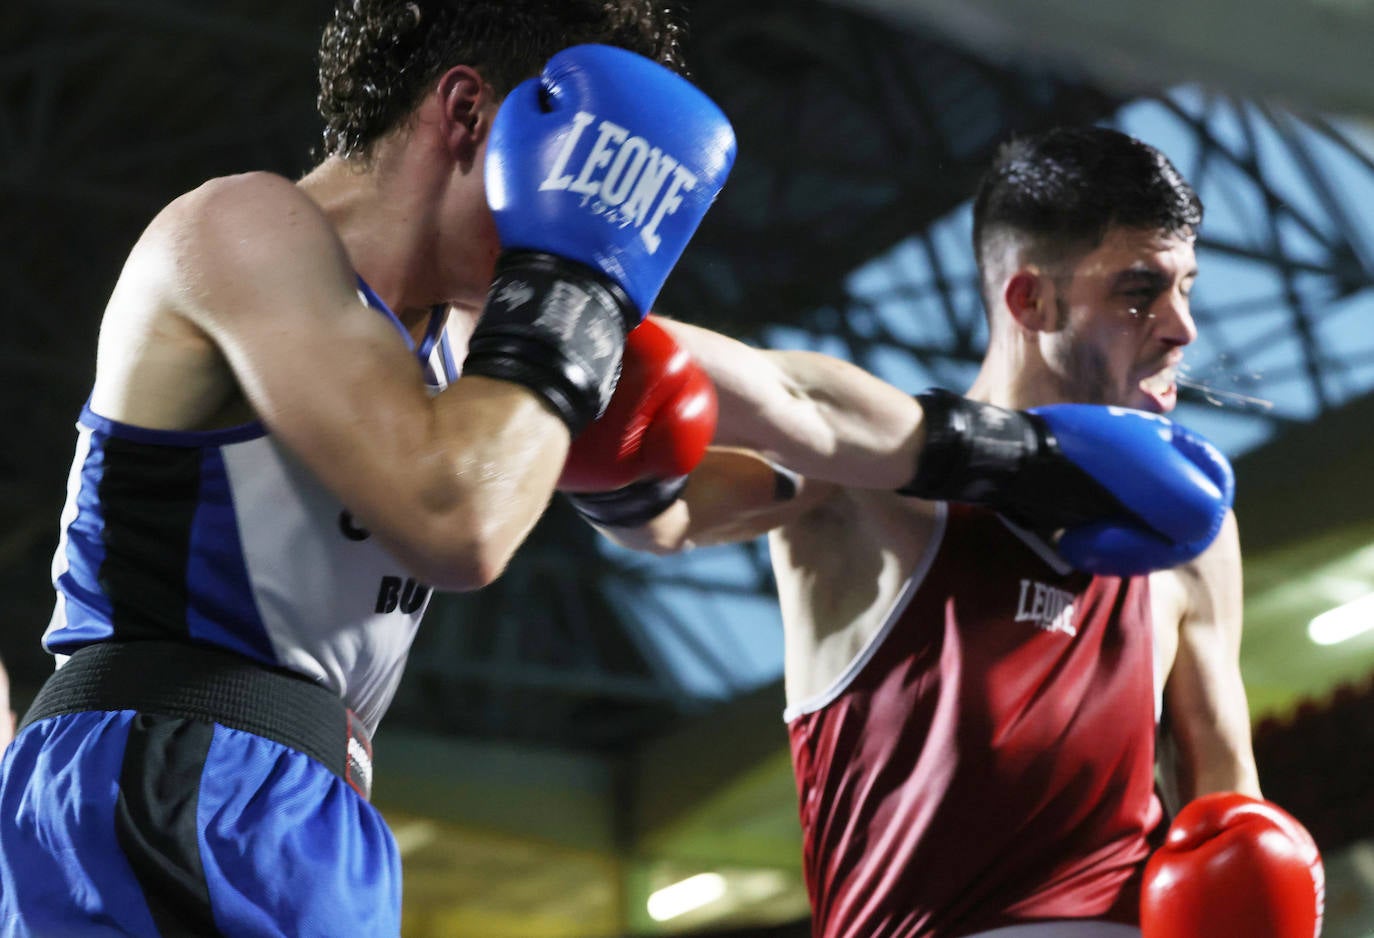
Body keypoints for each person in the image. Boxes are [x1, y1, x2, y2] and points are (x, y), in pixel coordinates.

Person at [0, 2, 735, 936]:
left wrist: (959, 447)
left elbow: (787, 405)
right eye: (579, 168)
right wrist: (577, 291)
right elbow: (456, 519)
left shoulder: (469, 341)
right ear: (468, 113)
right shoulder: (243, 227)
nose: (587, 213)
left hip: (317, 813)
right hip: (161, 773)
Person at [565, 127, 1323, 936]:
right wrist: (562, 324)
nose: (1181, 328)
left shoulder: (1189, 533)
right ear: (1029, 300)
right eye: (1139, 292)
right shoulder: (864, 484)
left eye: (1187, 287)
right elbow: (680, 504)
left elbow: (1226, 803)